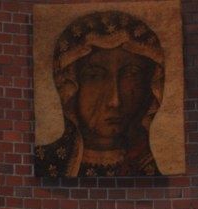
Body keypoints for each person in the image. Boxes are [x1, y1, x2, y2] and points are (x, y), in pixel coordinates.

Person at [34, 10, 165, 178]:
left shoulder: (150, 168)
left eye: (131, 74)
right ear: (68, 86)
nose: (115, 101)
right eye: (95, 76)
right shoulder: (46, 162)